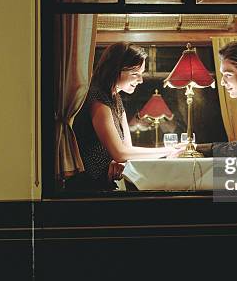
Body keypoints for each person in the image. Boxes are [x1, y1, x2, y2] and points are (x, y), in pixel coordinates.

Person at [69, 42, 181, 190]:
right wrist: (169, 150)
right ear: (114, 70)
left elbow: (126, 149)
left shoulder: (116, 99)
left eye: (141, 74)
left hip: (104, 184)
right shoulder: (96, 98)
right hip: (87, 187)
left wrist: (120, 162)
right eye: (135, 74)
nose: (141, 80)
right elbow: (121, 153)